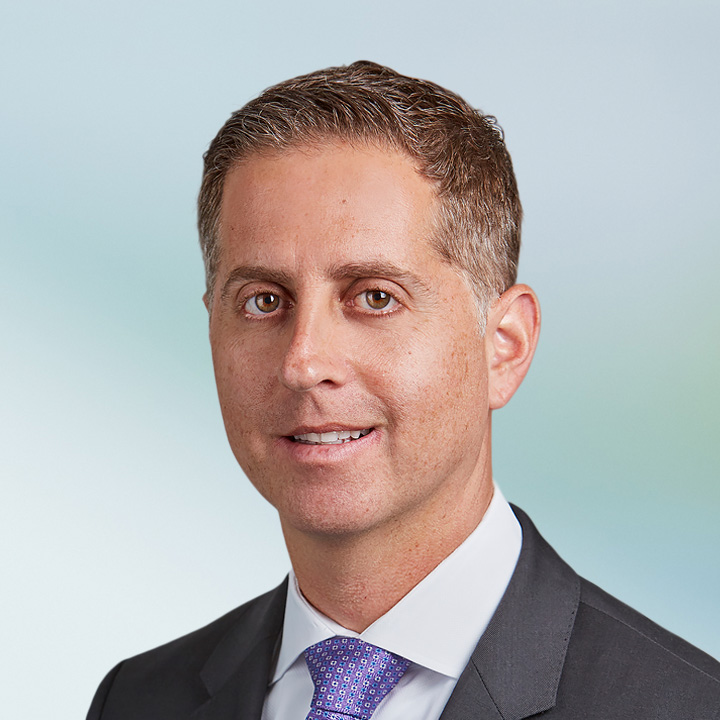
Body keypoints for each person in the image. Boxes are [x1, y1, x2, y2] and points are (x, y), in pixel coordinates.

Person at [87, 61, 720, 720]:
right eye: (263, 300)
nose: (303, 362)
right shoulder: (137, 701)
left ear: (504, 345)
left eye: (374, 297)